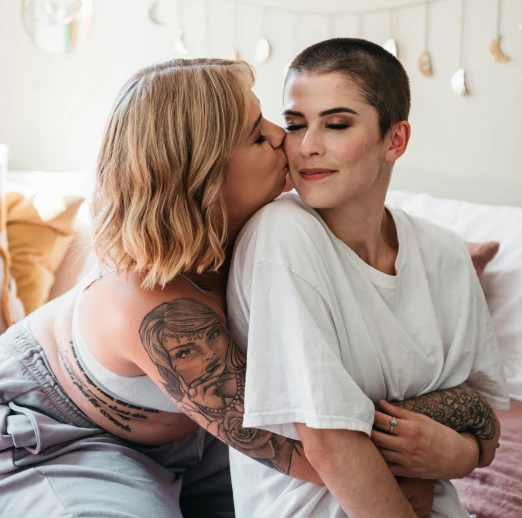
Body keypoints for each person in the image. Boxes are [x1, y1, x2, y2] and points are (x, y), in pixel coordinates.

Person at [0, 58, 500, 518]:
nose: (287, 138)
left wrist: (467, 435)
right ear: (202, 175)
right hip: (63, 429)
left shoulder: (271, 229)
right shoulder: (155, 305)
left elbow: (340, 406)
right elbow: (324, 446)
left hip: (199, 438)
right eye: (258, 136)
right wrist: (460, 441)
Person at [227, 39, 509, 518]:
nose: (308, 145)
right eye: (295, 125)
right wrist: (462, 443)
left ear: (395, 140)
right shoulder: (282, 234)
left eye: (336, 124)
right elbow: (330, 440)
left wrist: (461, 453)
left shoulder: (443, 252)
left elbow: (481, 412)